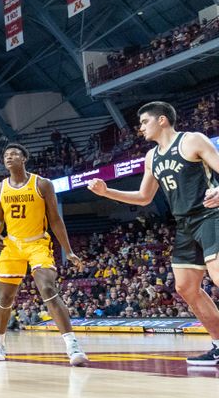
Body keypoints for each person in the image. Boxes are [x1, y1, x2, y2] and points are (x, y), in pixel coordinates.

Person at [88, 101, 219, 365]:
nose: (140, 128)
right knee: (185, 288)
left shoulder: (192, 140)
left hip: (210, 216)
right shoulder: (152, 157)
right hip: (184, 224)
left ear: (162, 120)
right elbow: (144, 197)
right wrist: (107, 192)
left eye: (144, 122)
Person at [0, 144, 87, 366]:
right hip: (11, 246)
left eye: (14, 154)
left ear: (24, 158)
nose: (9, 157)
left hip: (37, 243)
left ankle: (72, 345)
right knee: (4, 298)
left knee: (48, 288)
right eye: (6, 155)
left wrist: (68, 251)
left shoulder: (42, 184)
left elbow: (55, 220)